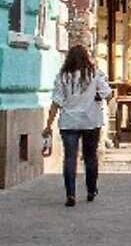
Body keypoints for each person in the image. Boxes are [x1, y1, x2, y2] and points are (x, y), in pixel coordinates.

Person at [43, 46, 112, 208]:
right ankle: (91, 190)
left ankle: (71, 194)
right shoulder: (96, 75)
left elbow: (56, 103)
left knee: (69, 158)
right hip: (91, 122)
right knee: (90, 157)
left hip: (69, 122)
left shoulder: (63, 76)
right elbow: (107, 94)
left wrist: (48, 125)